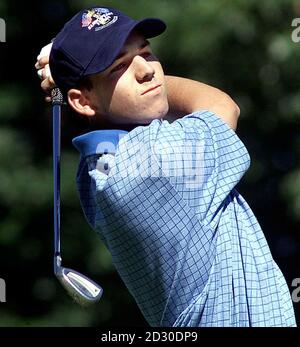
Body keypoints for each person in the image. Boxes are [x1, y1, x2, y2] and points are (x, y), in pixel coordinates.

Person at [35, 6, 296, 327]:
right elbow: (222, 106)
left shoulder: (98, 168)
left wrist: (69, 75)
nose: (147, 70)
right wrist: (66, 75)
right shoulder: (150, 165)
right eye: (119, 67)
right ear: (82, 101)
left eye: (146, 52)